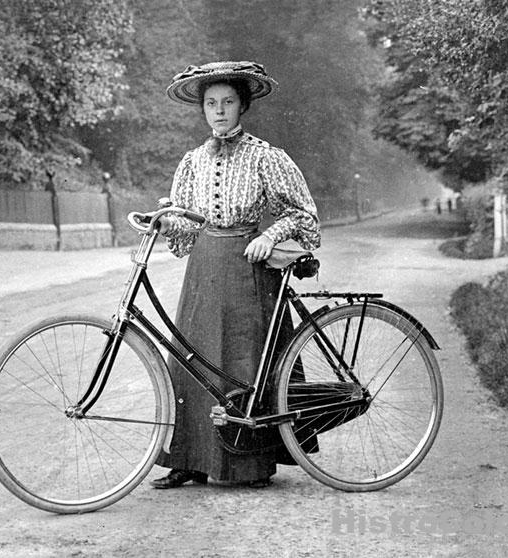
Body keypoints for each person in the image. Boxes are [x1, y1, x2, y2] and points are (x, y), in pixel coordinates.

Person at [151, 61, 321, 489]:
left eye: (228, 102)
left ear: (242, 106)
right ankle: (189, 460)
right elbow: (187, 224)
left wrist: (271, 235)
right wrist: (171, 223)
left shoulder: (266, 157)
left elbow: (302, 214)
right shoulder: (192, 162)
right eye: (211, 103)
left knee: (247, 362)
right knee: (194, 358)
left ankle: (250, 463)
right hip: (204, 271)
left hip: (248, 269)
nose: (219, 111)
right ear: (203, 110)